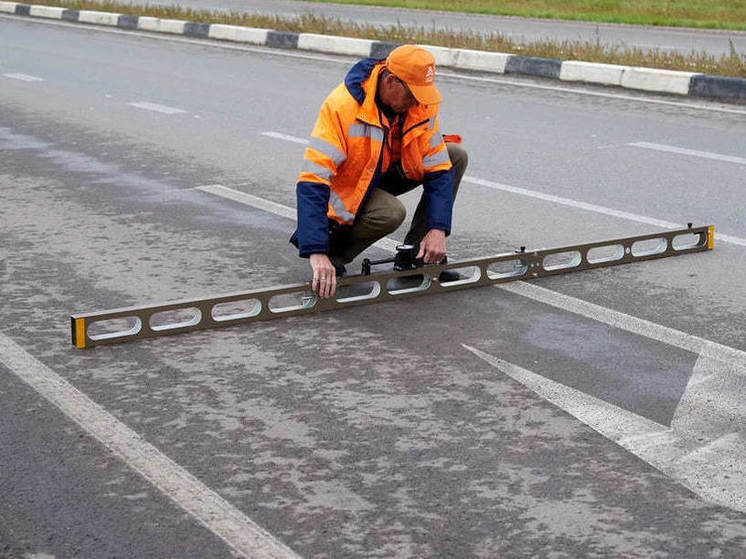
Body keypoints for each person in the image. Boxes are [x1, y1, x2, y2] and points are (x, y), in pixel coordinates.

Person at [290, 45, 468, 298]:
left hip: (386, 170)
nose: (417, 101)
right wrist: (316, 250)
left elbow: (438, 167)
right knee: (391, 213)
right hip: (350, 187)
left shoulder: (420, 105)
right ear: (392, 80)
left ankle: (417, 258)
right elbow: (313, 180)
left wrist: (437, 229)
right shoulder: (342, 107)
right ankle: (333, 255)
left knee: (455, 155)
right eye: (412, 94)